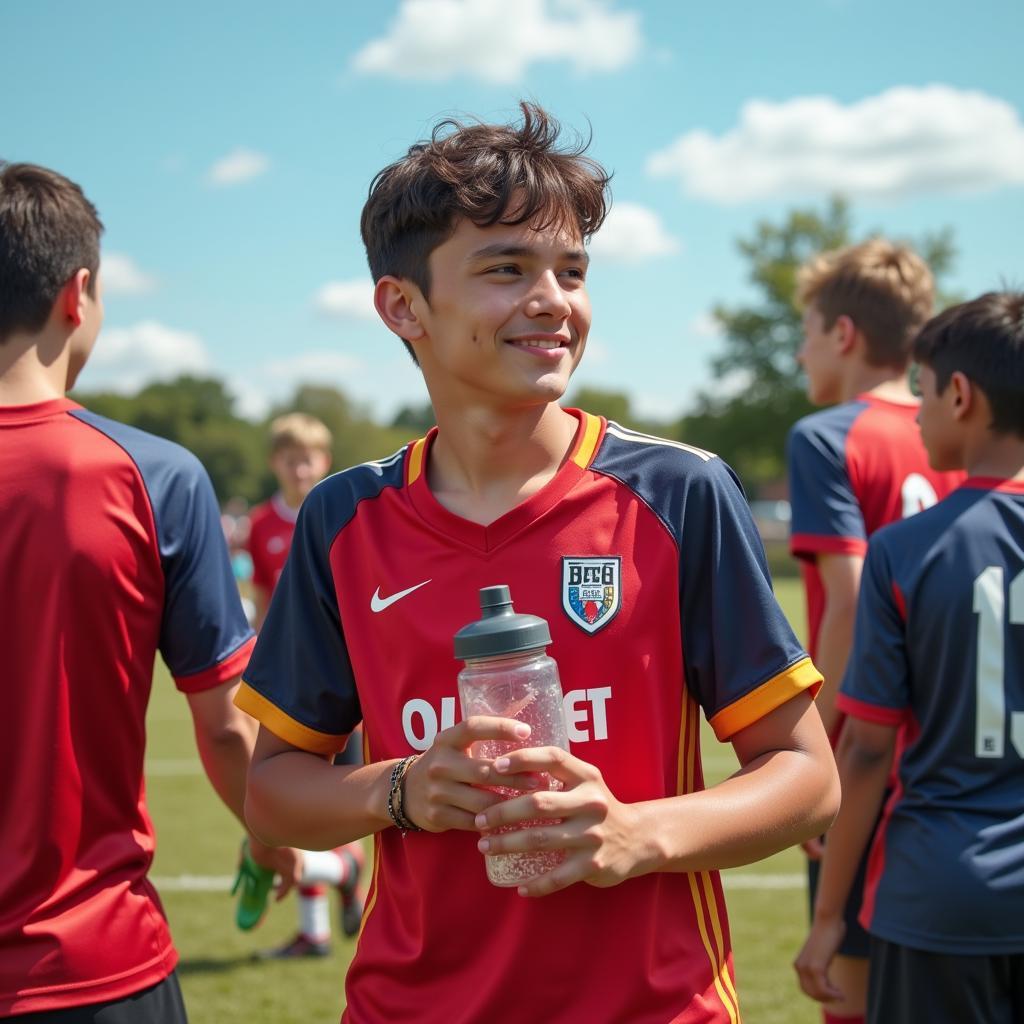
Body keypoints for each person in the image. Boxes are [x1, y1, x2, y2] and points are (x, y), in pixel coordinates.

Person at [236, 102, 840, 1023]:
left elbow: (807, 778)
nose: (553, 299)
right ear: (403, 306)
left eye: (571, 270)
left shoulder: (679, 493)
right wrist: (402, 788)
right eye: (506, 269)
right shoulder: (341, 518)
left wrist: (638, 832)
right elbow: (275, 792)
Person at [0, 161, 298, 1021]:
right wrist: (269, 837)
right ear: (78, 293)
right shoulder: (152, 476)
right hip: (95, 965)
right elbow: (226, 725)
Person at [794, 291, 1024, 1023]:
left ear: (961, 395)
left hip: (941, 894)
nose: (915, 413)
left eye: (922, 394)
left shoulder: (906, 548)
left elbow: (866, 749)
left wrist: (831, 917)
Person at [786, 239, 963, 1023]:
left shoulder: (827, 437)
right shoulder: (967, 426)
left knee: (848, 994)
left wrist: (812, 751)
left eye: (808, 332)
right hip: (958, 759)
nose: (801, 351)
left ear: (845, 335)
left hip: (870, 761)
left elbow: (851, 607)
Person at [244, 413, 365, 958]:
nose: (301, 468)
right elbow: (267, 602)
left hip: (346, 683)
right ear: (275, 463)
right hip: (293, 684)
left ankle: (346, 868)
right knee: (296, 799)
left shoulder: (343, 512)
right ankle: (316, 928)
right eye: (291, 458)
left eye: (311, 458)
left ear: (326, 460)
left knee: (334, 801)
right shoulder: (261, 523)